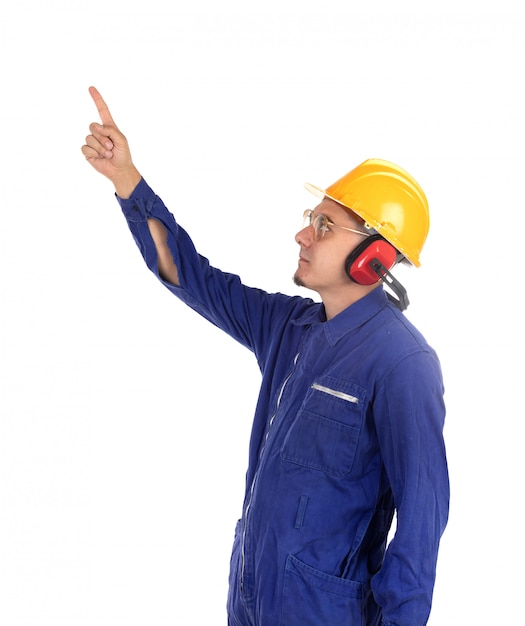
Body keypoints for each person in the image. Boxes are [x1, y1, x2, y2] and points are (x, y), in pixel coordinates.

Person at [82, 86, 449, 626]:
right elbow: (191, 277)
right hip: (251, 596)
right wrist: (126, 181)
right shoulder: (289, 327)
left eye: (325, 225)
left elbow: (421, 528)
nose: (303, 233)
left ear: (374, 257)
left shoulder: (403, 363)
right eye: (311, 216)